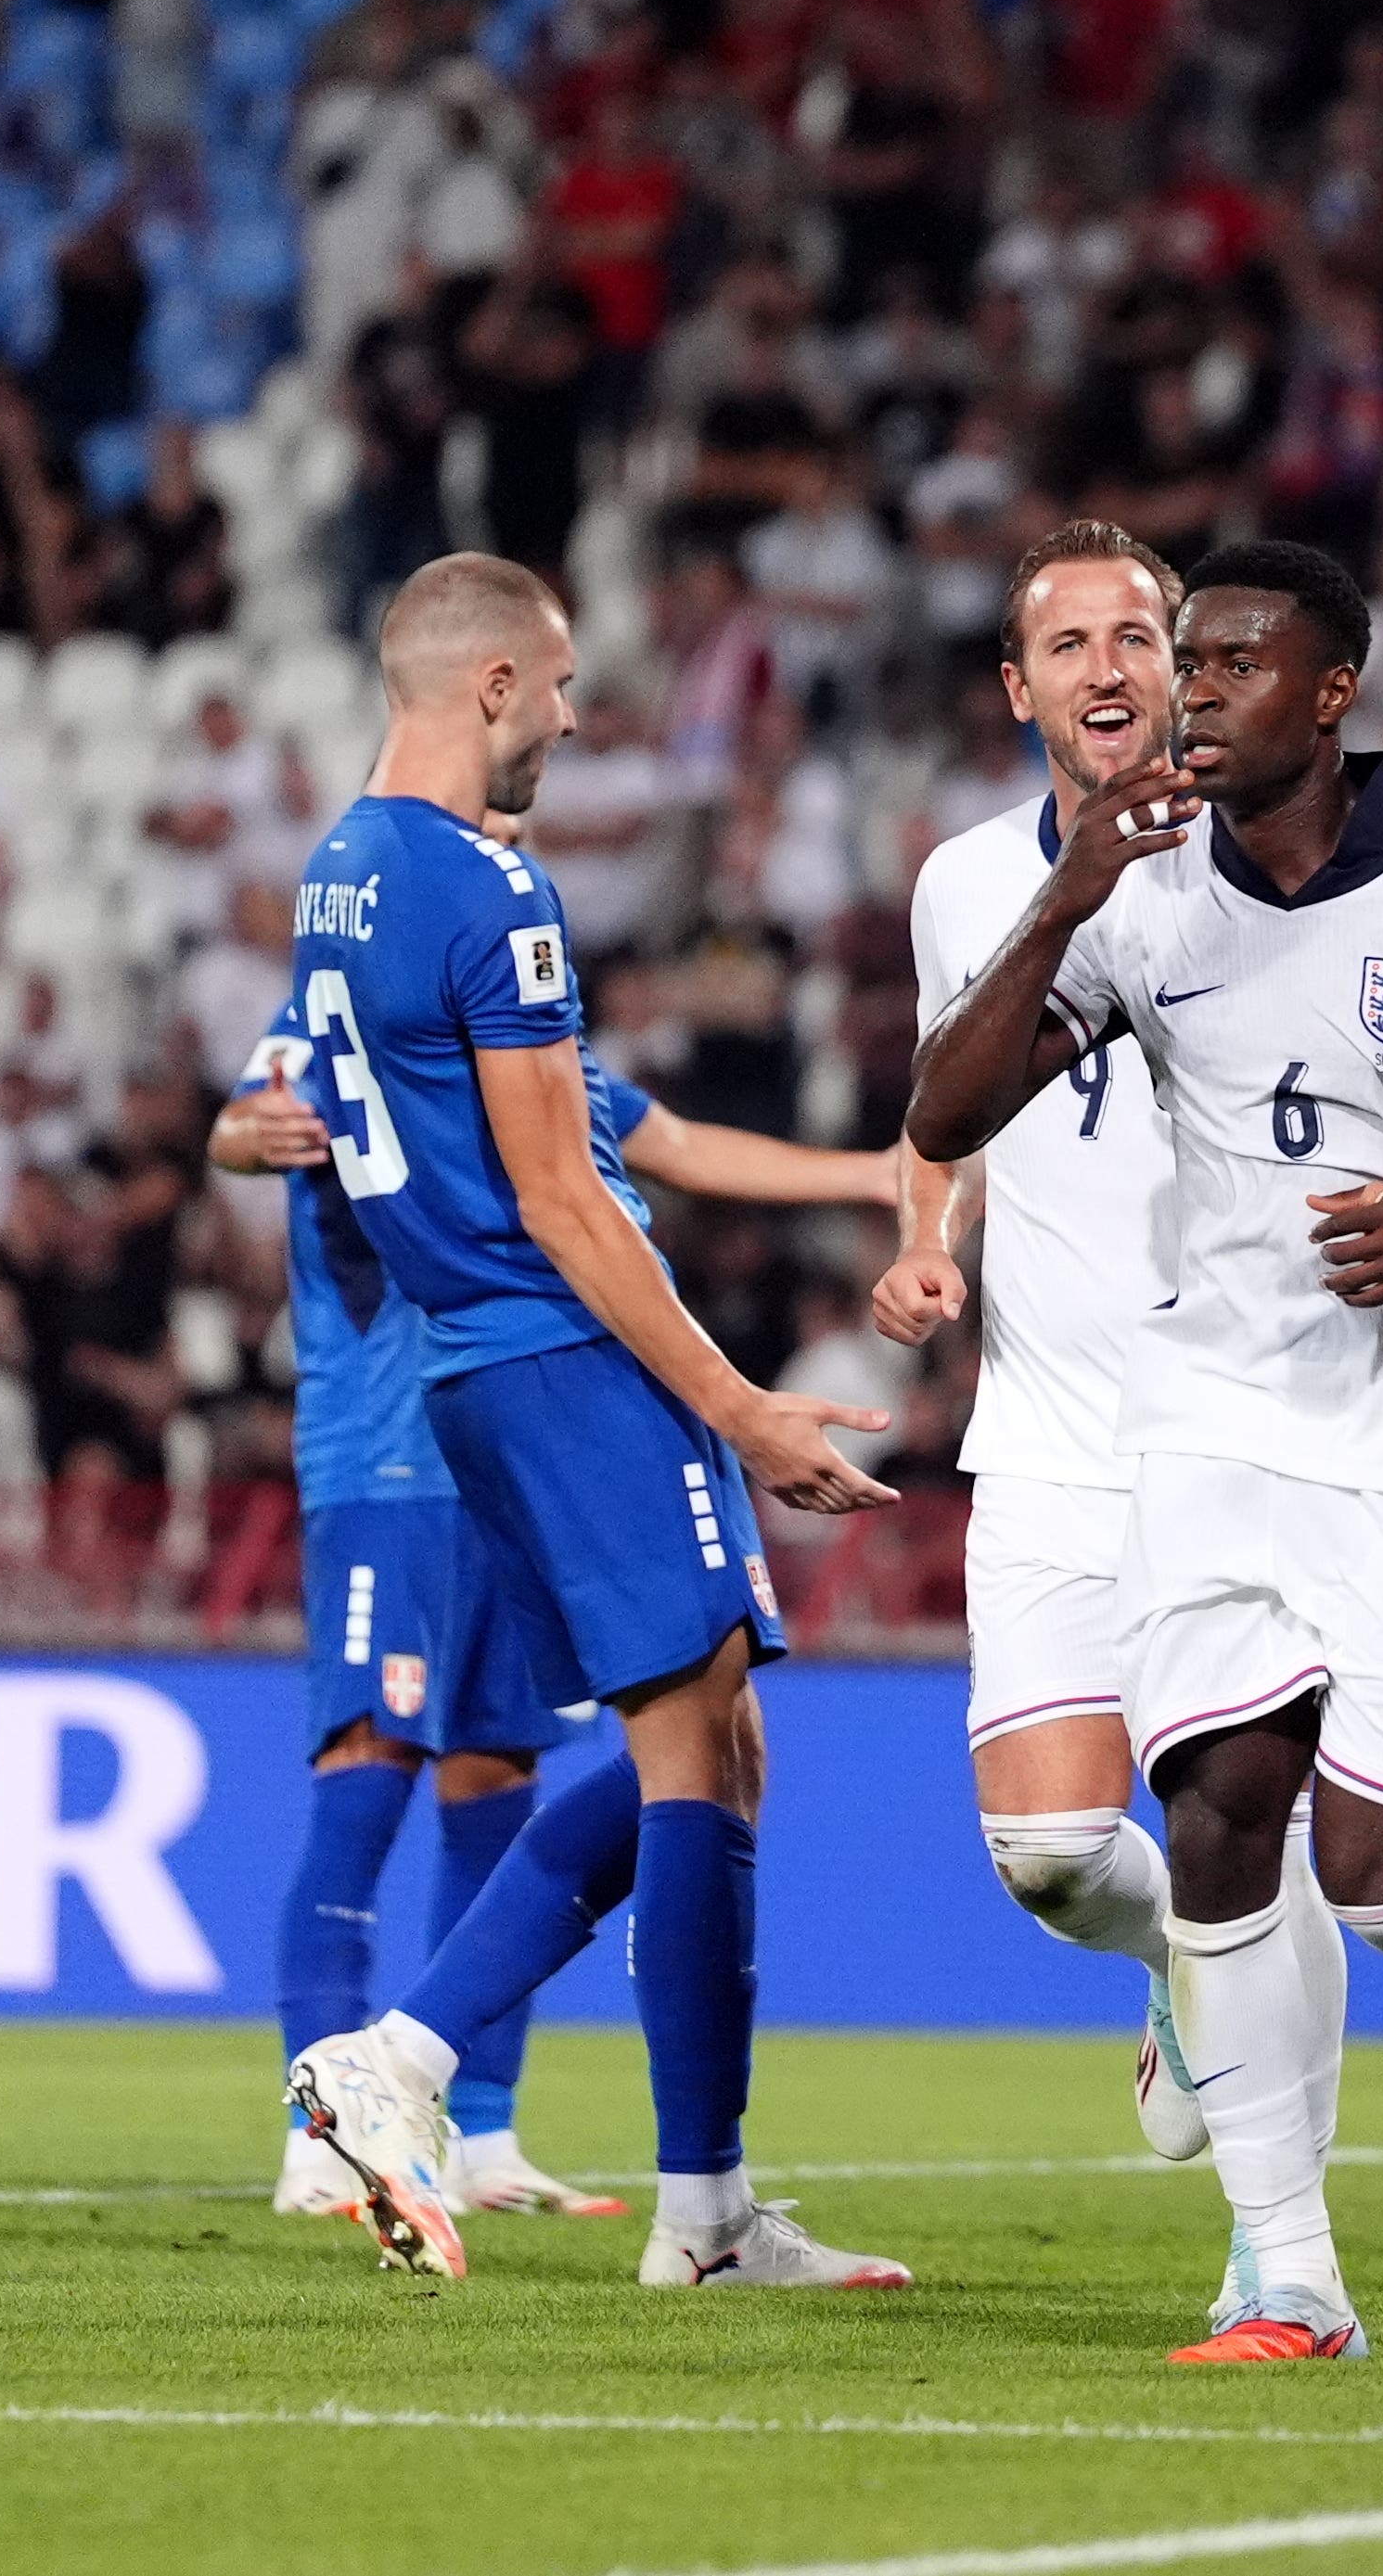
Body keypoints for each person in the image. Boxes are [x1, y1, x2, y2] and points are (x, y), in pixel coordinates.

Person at [910, 539, 1383, 2362]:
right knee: (1219, 1819)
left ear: (1331, 692)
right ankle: (1285, 2274)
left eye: (1236, 662)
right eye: (1192, 661)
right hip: (1210, 1427)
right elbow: (941, 1110)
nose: (1195, 689)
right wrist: (1061, 902)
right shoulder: (1144, 895)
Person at [277, 555, 908, 2291]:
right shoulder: (490, 878)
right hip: (567, 1353)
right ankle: (405, 2065)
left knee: (709, 1738)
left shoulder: (338, 868)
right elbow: (567, 1193)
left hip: (475, 1366)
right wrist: (737, 1401)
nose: (570, 713)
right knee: (692, 1746)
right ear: (486, 684)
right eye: (553, 682)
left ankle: (694, 2205)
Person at [868, 519, 1346, 2340]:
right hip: (1049, 1429)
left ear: (1187, 662)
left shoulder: (1281, 866)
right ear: (1018, 687)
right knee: (1056, 1856)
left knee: (1239, 1818)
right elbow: (950, 1112)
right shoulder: (959, 881)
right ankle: (1184, 1973)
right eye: (1064, 641)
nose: (1104, 665)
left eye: (1137, 634)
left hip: (1235, 1433)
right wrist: (924, 1249)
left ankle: (1276, 2255)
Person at [219, 944, 892, 2225]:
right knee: (366, 1775)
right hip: (382, 1451)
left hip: (508, 1450)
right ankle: (317, 2132)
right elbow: (245, 1122)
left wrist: (874, 1171)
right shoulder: (349, 1001)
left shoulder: (526, 1050)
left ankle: (481, 2128)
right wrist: (247, 1130)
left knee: (496, 1773)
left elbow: (677, 1142)